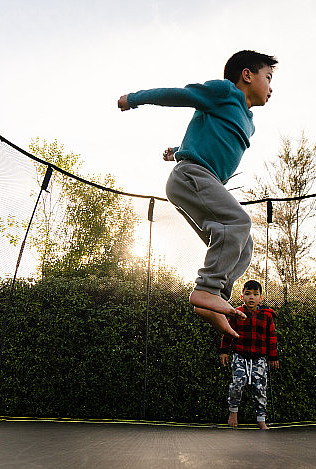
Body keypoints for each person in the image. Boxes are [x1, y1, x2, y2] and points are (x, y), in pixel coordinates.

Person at [118, 50, 277, 338]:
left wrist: (177, 151)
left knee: (243, 245)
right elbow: (178, 95)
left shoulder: (249, 121)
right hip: (192, 176)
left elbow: (209, 139)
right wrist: (135, 98)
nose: (271, 87)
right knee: (238, 222)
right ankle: (205, 289)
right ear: (247, 75)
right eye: (268, 77)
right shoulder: (224, 92)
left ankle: (213, 301)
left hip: (201, 179)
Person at [220, 280, 279, 429]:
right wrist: (223, 351)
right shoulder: (236, 314)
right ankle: (233, 412)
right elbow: (227, 332)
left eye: (255, 294)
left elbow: (271, 337)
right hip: (240, 355)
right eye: (247, 294)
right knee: (238, 383)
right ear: (242, 297)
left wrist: (273, 356)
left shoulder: (266, 316)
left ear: (260, 297)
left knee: (260, 387)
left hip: (259, 358)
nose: (251, 297)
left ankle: (261, 419)